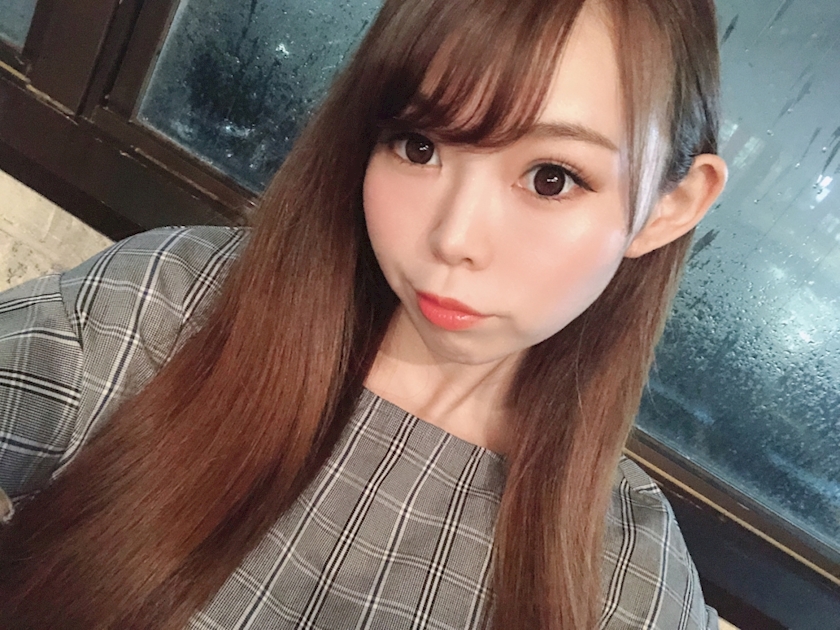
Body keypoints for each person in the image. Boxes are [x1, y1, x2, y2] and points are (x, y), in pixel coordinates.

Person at [0, 0, 728, 627]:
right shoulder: (172, 306)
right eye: (419, 145)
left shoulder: (628, 578)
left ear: (670, 206)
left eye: (551, 178)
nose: (453, 237)